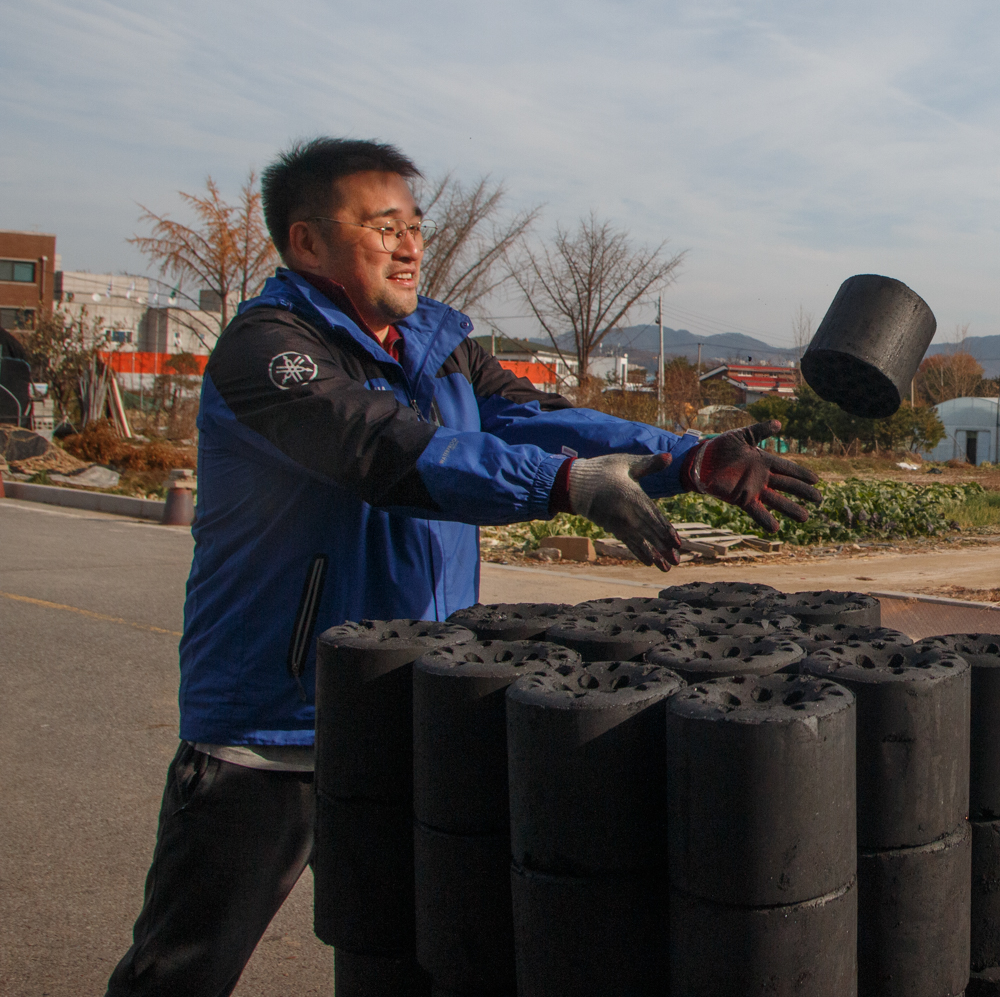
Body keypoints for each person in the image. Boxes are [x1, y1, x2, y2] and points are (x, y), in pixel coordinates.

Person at [106, 137, 821, 996]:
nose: (411, 244)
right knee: (185, 967)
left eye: (415, 225)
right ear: (305, 242)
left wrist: (685, 457)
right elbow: (383, 450)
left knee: (403, 955)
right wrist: (560, 486)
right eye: (383, 226)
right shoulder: (269, 352)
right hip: (276, 725)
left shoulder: (439, 346)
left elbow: (538, 420)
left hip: (412, 703)